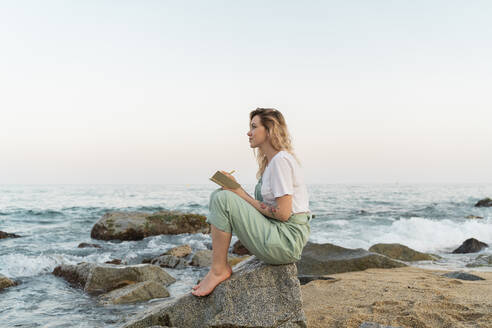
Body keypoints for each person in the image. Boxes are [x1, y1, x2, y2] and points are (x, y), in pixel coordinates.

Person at [191, 108, 311, 297]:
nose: (249, 132)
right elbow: (265, 208)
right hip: (278, 234)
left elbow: (283, 213)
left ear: (269, 130)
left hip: (286, 241)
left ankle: (219, 269)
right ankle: (218, 267)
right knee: (220, 195)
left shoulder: (281, 161)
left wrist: (238, 193)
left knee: (222, 198)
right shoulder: (272, 163)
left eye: (254, 127)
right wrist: (236, 189)